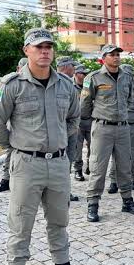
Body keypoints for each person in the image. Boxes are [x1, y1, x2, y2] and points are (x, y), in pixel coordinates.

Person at [0, 28, 86, 265]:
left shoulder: (66, 85)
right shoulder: (11, 85)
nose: (45, 51)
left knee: (59, 220)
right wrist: (18, 147)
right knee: (21, 224)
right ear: (26, 50)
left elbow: (74, 118)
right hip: (26, 165)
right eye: (39, 47)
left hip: (58, 164)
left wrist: (61, 141)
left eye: (49, 47)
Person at [82, 45, 134, 222]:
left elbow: (131, 97)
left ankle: (127, 201)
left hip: (123, 128)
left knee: (125, 166)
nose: (116, 57)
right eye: (112, 55)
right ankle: (93, 204)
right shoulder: (93, 78)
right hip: (102, 128)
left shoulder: (127, 77)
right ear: (103, 58)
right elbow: (85, 105)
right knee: (98, 168)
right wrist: (95, 119)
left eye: (118, 54)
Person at [107, 64, 134, 192]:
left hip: (133, 126)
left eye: (129, 74)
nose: (126, 76)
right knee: (116, 155)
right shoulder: (115, 87)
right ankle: (113, 181)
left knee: (132, 154)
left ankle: (130, 179)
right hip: (118, 125)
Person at [0, 57, 28, 193]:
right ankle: (6, 179)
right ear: (18, 68)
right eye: (22, 68)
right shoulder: (10, 84)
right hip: (12, 125)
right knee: (10, 152)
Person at [56, 56, 80, 202]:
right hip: (60, 131)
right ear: (65, 66)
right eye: (73, 66)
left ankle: (65, 191)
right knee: (59, 163)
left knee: (68, 162)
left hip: (70, 130)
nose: (74, 69)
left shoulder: (68, 84)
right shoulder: (57, 83)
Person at [73, 64, 92, 181]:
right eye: (83, 73)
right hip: (77, 122)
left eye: (86, 73)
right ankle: (78, 170)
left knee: (93, 146)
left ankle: (90, 166)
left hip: (90, 120)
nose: (85, 76)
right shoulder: (70, 87)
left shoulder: (89, 86)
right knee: (77, 148)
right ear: (76, 74)